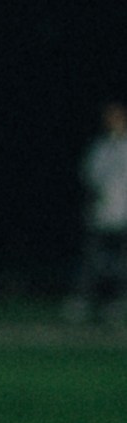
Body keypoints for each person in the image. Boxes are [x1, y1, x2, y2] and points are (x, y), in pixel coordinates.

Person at [74, 105, 127, 317]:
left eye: (117, 118)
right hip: (100, 213)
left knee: (122, 261)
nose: (112, 122)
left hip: (123, 213)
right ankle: (84, 299)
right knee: (92, 260)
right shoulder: (100, 148)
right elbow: (88, 176)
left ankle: (119, 300)